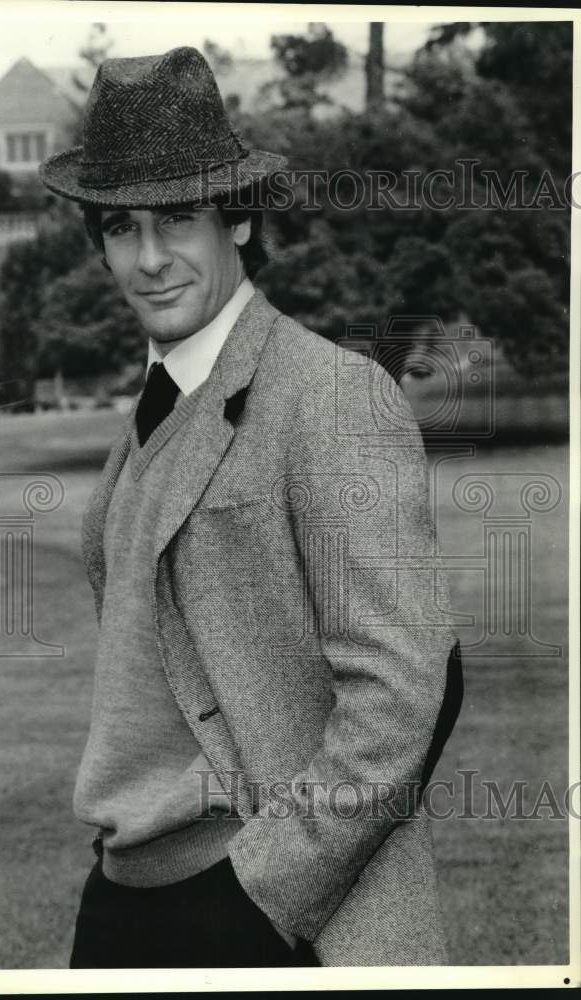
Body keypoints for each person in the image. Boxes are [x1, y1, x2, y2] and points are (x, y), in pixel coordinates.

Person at [40, 45, 462, 970]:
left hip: (255, 908)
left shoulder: (328, 395)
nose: (150, 259)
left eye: (177, 219)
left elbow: (407, 688)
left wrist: (261, 894)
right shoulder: (150, 413)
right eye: (121, 227)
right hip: (124, 890)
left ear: (237, 219)